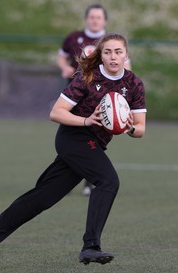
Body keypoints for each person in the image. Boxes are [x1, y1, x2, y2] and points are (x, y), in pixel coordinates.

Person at [0, 33, 146, 268]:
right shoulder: (87, 77)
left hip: (94, 143)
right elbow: (56, 112)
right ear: (101, 55)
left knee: (43, 197)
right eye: (108, 52)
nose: (113, 57)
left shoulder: (133, 83)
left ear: (127, 55)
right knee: (108, 180)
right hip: (73, 138)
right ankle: (90, 247)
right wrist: (86, 121)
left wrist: (126, 127)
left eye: (118, 52)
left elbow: (140, 128)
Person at [56, 3, 131, 196]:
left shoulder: (111, 42)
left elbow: (127, 69)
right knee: (73, 134)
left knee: (96, 134)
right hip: (75, 94)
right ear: (87, 19)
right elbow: (61, 57)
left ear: (104, 20)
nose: (95, 20)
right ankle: (64, 175)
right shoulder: (74, 38)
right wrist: (64, 68)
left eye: (98, 17)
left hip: (102, 96)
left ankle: (90, 180)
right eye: (92, 17)